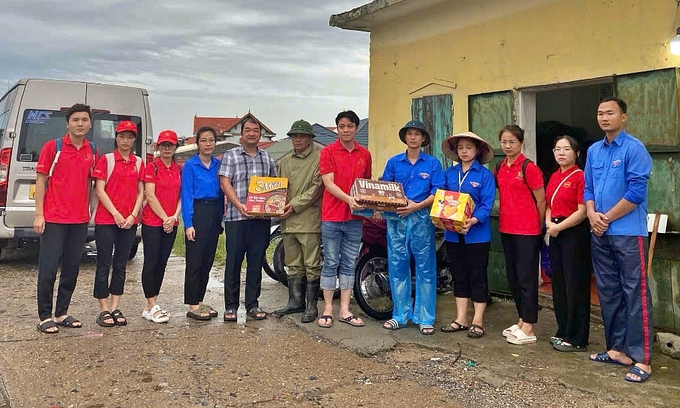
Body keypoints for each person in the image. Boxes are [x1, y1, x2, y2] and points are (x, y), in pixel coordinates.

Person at [585, 97, 653, 383]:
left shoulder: (634, 148)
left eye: (610, 113)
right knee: (609, 292)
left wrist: (605, 218)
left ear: (623, 117)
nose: (604, 117)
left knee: (635, 294)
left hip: (626, 233)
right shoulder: (593, 151)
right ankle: (617, 350)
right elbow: (587, 187)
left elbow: (636, 193)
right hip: (599, 232)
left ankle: (643, 359)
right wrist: (591, 215)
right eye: (600, 113)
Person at [34, 103, 97, 334]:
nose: (80, 124)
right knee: (49, 268)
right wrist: (39, 214)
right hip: (53, 218)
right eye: (76, 120)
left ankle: (61, 313)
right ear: (67, 123)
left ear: (90, 123)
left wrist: (91, 211)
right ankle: (44, 316)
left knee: (71, 268)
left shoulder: (92, 150)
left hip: (79, 220)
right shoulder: (54, 147)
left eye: (84, 120)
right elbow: (41, 181)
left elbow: (93, 184)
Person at [379, 120, 444, 335]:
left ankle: (425, 317)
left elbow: (437, 192)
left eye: (417, 134)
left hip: (421, 219)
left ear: (423, 138)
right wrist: (392, 205)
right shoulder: (394, 162)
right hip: (396, 219)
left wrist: (417, 206)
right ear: (405, 137)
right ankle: (400, 315)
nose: (413, 137)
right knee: (398, 266)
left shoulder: (433, 163)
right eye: (409, 134)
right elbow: (385, 188)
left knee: (425, 267)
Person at [317, 110, 371, 328]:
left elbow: (366, 185)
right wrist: (349, 199)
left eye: (350, 126)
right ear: (336, 129)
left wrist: (373, 206)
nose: (346, 130)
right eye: (342, 126)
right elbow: (328, 183)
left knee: (349, 263)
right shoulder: (328, 152)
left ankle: (345, 310)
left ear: (356, 128)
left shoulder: (365, 154)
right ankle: (328, 309)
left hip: (355, 218)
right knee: (330, 262)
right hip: (331, 215)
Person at [439, 132, 495, 338]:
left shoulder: (484, 175)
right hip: (453, 234)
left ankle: (477, 320)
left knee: (478, 276)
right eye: (460, 147)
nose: (464, 151)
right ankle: (460, 319)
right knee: (460, 276)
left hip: (477, 234)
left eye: (468, 147)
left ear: (478, 150)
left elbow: (487, 204)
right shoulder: (449, 174)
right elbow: (442, 200)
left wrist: (473, 220)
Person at [220, 118, 277, 322]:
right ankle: (231, 306)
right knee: (233, 262)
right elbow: (225, 182)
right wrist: (238, 205)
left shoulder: (267, 158)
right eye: (248, 130)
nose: (252, 133)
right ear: (241, 135)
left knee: (256, 261)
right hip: (237, 218)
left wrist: (274, 206)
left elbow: (274, 186)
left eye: (256, 130)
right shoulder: (231, 155)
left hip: (261, 220)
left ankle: (252, 304)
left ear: (260, 135)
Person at [495, 124, 546, 345]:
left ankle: (530, 326)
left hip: (528, 230)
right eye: (504, 142)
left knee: (526, 278)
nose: (507, 146)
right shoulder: (500, 167)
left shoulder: (528, 167)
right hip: (506, 227)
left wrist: (541, 226)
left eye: (512, 142)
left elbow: (541, 200)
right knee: (513, 277)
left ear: (522, 143)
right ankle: (521, 319)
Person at [92, 120, 145, 327]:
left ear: (134, 139)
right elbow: (100, 189)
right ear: (116, 137)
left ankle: (115, 306)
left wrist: (133, 215)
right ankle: (103, 308)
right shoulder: (106, 160)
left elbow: (141, 191)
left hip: (129, 221)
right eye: (122, 136)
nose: (125, 140)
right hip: (107, 219)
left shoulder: (139, 163)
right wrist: (115, 213)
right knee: (104, 262)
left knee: (121, 264)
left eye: (130, 137)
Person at [273, 120, 323, 323]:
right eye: (294, 136)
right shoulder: (284, 162)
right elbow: (277, 188)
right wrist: (276, 205)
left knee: (311, 263)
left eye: (302, 136)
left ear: (310, 138)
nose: (298, 139)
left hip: (308, 220)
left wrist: (293, 204)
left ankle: (311, 306)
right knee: (293, 263)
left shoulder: (319, 159)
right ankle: (295, 301)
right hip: (287, 221)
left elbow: (317, 188)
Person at [544, 135, 591, 352]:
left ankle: (577, 336)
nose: (561, 153)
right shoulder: (554, 176)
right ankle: (563, 329)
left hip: (573, 233)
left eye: (567, 149)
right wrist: (548, 223)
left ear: (577, 153)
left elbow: (582, 211)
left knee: (576, 284)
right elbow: (549, 205)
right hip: (555, 231)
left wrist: (558, 227)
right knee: (560, 283)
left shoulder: (580, 176)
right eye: (557, 149)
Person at [182, 126, 223, 320]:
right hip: (197, 212)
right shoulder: (191, 165)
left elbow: (222, 193)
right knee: (195, 260)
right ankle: (192, 304)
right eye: (203, 140)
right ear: (197, 143)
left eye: (211, 140)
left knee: (207, 260)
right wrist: (188, 223)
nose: (208, 144)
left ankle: (200, 300)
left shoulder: (218, 165)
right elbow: (187, 195)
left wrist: (221, 218)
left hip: (214, 213)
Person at [140, 130, 182, 324]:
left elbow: (182, 196)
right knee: (151, 262)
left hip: (171, 222)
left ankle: (151, 305)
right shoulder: (151, 167)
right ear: (157, 146)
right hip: (152, 222)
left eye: (170, 145)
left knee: (162, 263)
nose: (167, 148)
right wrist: (166, 218)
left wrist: (174, 217)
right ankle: (151, 303)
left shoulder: (178, 169)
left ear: (175, 147)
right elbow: (150, 195)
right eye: (163, 145)